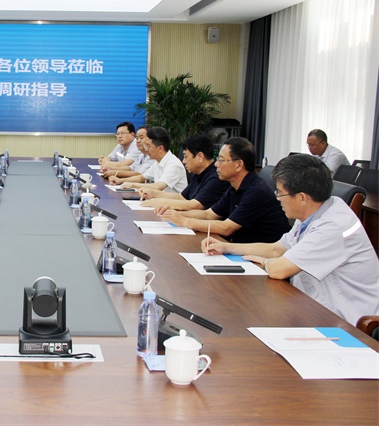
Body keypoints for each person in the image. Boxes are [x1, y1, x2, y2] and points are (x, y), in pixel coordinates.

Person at [201, 154, 379, 325]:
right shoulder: (315, 212)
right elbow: (277, 249)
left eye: (280, 193)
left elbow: (279, 269)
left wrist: (266, 262)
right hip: (312, 307)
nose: (277, 198)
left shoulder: (334, 226)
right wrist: (226, 247)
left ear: (302, 197)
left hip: (347, 323)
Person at [158, 137, 290, 243]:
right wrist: (174, 214)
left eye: (221, 160)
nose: (216, 164)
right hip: (239, 248)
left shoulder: (256, 191)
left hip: (261, 258)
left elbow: (226, 228)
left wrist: (184, 221)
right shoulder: (234, 187)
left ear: (238, 165)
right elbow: (209, 214)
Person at [141, 133, 228, 211]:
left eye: (186, 156)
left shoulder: (216, 177)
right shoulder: (199, 174)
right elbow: (181, 197)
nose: (183, 161)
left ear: (200, 156)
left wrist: (159, 202)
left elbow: (195, 205)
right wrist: (154, 193)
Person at [116, 126, 188, 194]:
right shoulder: (158, 162)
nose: (146, 149)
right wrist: (120, 180)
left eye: (148, 146)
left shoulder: (174, 165)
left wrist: (132, 185)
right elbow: (142, 177)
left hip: (172, 202)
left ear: (160, 148)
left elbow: (158, 187)